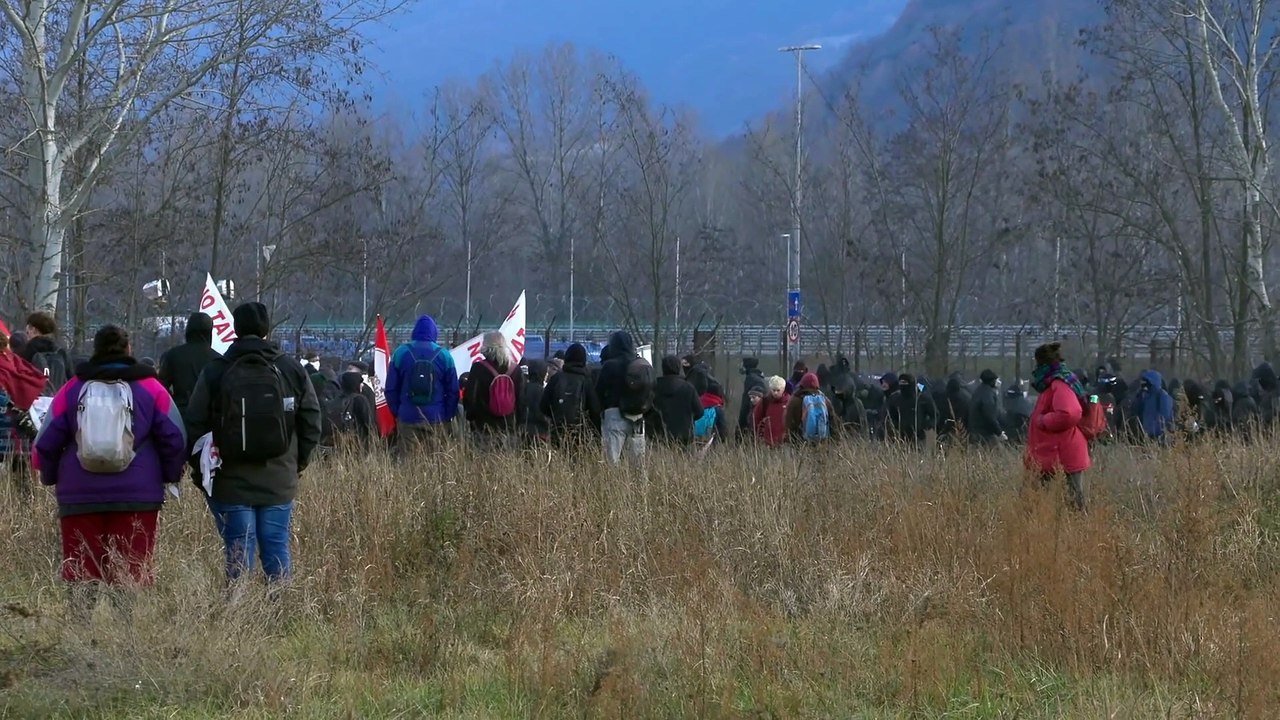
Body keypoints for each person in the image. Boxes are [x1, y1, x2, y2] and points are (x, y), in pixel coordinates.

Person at [34, 325, 187, 611]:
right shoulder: (151, 388)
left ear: (96, 349)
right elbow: (175, 437)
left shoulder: (72, 388)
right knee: (129, 569)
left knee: (81, 570)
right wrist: (167, 475)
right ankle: (123, 636)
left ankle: (81, 633)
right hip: (138, 496)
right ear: (129, 349)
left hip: (79, 495)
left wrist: (51, 476)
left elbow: (45, 441)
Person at [185, 302, 322, 585]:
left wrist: (201, 474)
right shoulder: (290, 368)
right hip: (279, 479)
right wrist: (297, 463)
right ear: (266, 329)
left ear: (235, 329)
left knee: (238, 551)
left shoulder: (216, 370)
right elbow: (312, 421)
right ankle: (282, 616)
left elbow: (195, 424)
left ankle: (239, 619)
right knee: (276, 550)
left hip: (230, 480)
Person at [1026, 342, 1089, 511]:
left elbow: (1070, 413)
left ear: (1042, 364)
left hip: (1062, 452)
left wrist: (1043, 421)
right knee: (1069, 501)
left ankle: (1079, 533)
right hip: (1057, 451)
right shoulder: (1056, 382)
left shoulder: (1059, 384)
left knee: (1073, 503)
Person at [386, 315, 459, 452]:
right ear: (434, 333)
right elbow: (453, 392)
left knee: (407, 465)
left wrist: (400, 412)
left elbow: (390, 390)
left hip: (407, 417)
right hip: (436, 418)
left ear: (414, 331)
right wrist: (446, 415)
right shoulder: (445, 356)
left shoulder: (400, 353)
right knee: (435, 463)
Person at [595, 331, 652, 465]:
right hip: (637, 415)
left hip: (614, 413)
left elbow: (598, 391)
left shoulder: (609, 365)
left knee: (612, 461)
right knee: (638, 463)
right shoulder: (640, 364)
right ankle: (640, 486)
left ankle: (614, 485)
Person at [463, 332, 524, 447]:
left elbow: (470, 398)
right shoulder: (516, 370)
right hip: (509, 428)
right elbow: (522, 401)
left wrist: (471, 420)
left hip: (483, 427)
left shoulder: (478, 368)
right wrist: (518, 425)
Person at [158, 312, 223, 420]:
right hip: (208, 420)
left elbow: (161, 387)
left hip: (179, 415)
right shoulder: (218, 359)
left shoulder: (173, 355)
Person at [540, 343, 601, 447]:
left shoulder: (557, 378)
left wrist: (555, 415)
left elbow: (543, 405)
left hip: (558, 429)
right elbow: (594, 409)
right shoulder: (586, 380)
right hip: (580, 432)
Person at [653, 356, 703, 446]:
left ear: (663, 368)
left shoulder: (654, 388)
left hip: (658, 436)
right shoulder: (688, 388)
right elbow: (699, 412)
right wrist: (688, 419)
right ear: (679, 368)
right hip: (684, 436)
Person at [22, 311, 71, 395]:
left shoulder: (28, 351)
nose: (27, 337)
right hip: (58, 402)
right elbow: (70, 380)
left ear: (34, 330)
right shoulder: (61, 352)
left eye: (27, 332)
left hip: (34, 403)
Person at [785, 372, 837, 443]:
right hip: (821, 444)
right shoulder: (825, 400)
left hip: (800, 444)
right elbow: (834, 424)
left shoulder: (795, 401)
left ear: (802, 385)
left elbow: (789, 424)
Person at [888, 374, 936, 448]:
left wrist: (927, 425)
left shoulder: (922, 398)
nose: (903, 385)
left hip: (919, 436)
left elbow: (934, 414)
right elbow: (890, 415)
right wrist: (894, 427)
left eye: (905, 383)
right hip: (900, 437)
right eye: (901, 383)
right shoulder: (895, 398)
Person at [1130, 370, 1175, 444]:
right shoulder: (1143, 396)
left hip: (1159, 435)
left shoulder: (1162, 396)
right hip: (1146, 434)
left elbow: (1166, 415)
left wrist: (1162, 431)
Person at [333, 370, 376, 448]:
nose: (362, 385)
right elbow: (369, 423)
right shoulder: (360, 399)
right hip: (359, 442)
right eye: (361, 383)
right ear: (355, 384)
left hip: (339, 441)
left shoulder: (337, 398)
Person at [968, 369, 1005, 446]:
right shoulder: (988, 394)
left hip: (975, 432)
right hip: (984, 434)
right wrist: (999, 432)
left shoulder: (979, 391)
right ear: (992, 381)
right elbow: (990, 415)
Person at [752, 376, 790, 448]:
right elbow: (756, 418)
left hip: (784, 442)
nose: (775, 393)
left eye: (778, 390)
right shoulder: (765, 402)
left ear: (783, 389)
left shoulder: (788, 402)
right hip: (767, 442)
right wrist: (759, 435)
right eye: (773, 390)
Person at [519, 360, 550, 445]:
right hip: (541, 434)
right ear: (542, 373)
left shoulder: (523, 389)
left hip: (522, 432)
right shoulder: (544, 391)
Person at [737, 358, 767, 440]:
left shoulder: (751, 378)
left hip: (750, 416)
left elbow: (746, 402)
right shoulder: (758, 377)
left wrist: (742, 422)